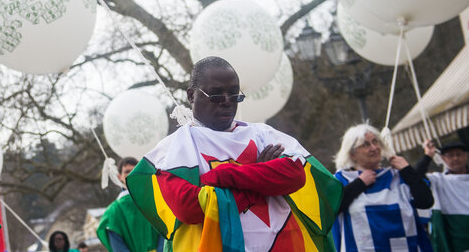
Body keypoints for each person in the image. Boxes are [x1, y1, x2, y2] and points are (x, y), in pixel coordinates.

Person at [127, 56, 342, 251]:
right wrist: (260, 180)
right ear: (191, 95)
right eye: (216, 94)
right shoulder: (174, 149)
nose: (227, 101)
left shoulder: (262, 134)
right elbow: (189, 208)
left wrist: (224, 176)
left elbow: (294, 175)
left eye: (233, 94)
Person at [331, 124, 433, 251]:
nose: (373, 148)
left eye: (375, 142)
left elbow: (425, 201)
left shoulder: (398, 176)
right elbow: (330, 209)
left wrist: (407, 170)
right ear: (352, 154)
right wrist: (359, 184)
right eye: (365, 145)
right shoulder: (342, 180)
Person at [416, 139, 469, 252]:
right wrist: (428, 155)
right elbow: (415, 176)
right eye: (450, 155)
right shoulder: (438, 180)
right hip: (456, 241)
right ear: (443, 158)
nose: (455, 158)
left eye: (458, 154)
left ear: (465, 155)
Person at [97, 157, 163, 252]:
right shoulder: (113, 212)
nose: (131, 174)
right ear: (119, 176)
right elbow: (118, 247)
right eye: (127, 171)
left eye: (135, 170)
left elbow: (166, 233)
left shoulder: (156, 201)